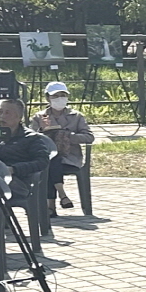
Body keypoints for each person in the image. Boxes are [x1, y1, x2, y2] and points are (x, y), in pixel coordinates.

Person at [32, 82, 91, 216]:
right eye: (55, 96)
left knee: (50, 163)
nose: (60, 99)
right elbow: (30, 137)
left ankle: (51, 207)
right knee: (50, 160)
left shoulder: (76, 116)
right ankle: (62, 194)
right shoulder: (39, 116)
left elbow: (89, 137)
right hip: (46, 156)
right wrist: (42, 131)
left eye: (63, 95)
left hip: (70, 157)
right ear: (47, 98)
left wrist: (68, 136)